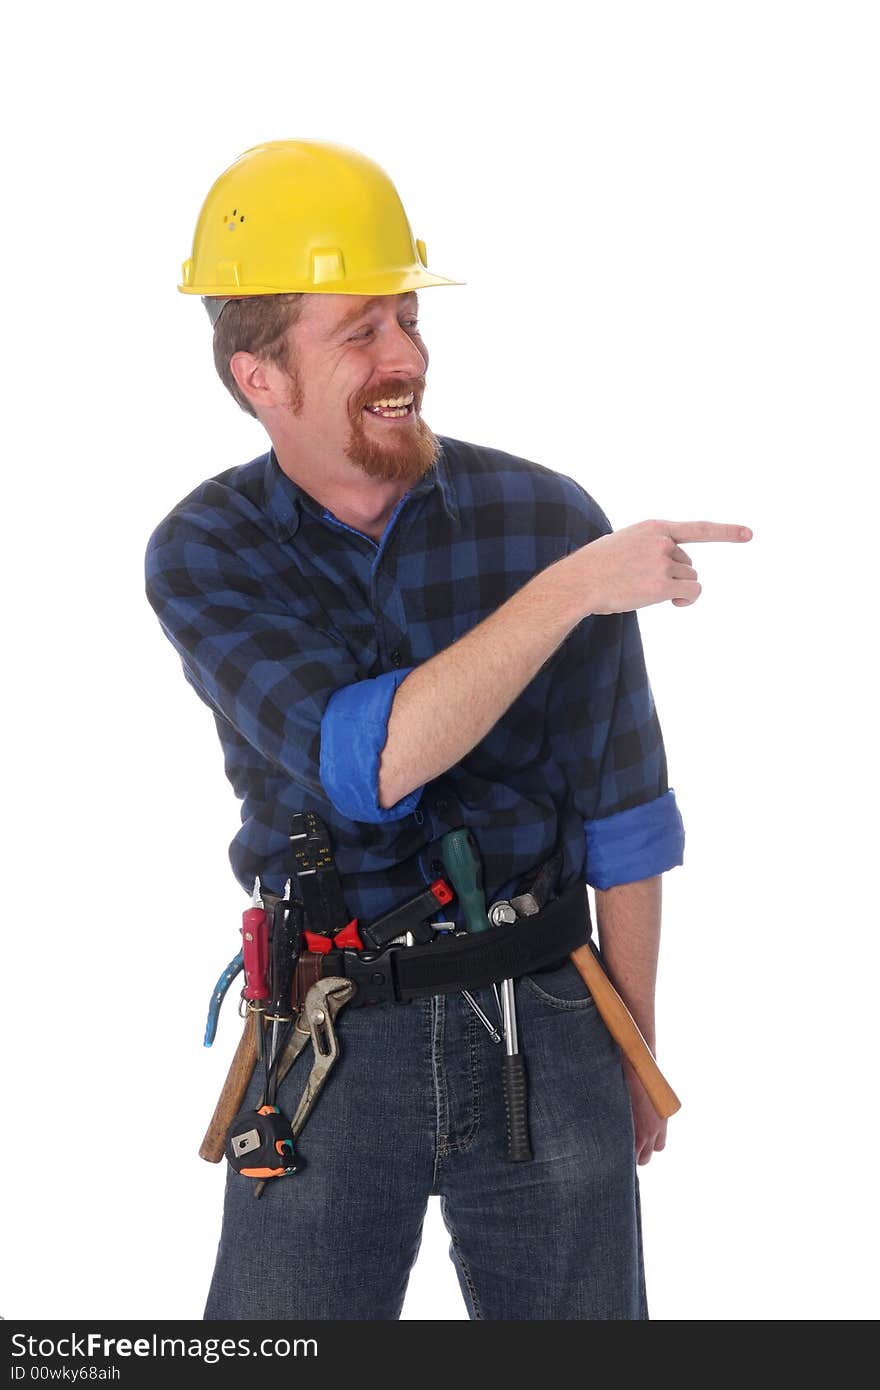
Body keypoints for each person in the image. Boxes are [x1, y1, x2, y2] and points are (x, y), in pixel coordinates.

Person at [144, 139, 752, 1321]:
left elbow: (624, 810)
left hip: (550, 1011)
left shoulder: (542, 514)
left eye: (409, 318)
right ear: (257, 373)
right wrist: (572, 588)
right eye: (360, 330)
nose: (408, 356)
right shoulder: (207, 550)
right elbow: (362, 765)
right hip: (329, 1038)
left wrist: (633, 1041)